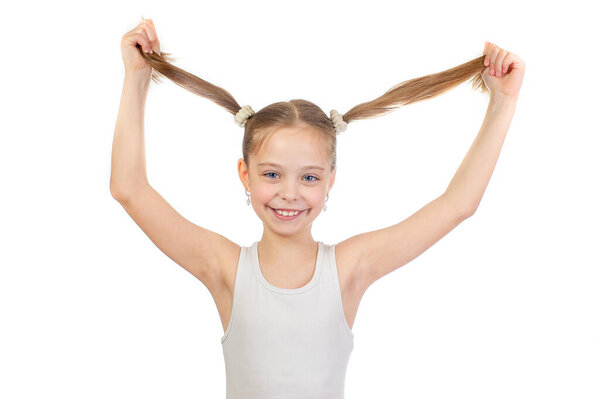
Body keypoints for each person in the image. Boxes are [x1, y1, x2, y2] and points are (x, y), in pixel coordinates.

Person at [110, 17, 525, 399]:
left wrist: (502, 103)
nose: (290, 193)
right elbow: (129, 188)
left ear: (330, 180)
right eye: (272, 174)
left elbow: (457, 204)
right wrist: (137, 78)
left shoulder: (348, 268)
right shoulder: (225, 268)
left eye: (308, 177)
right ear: (245, 174)